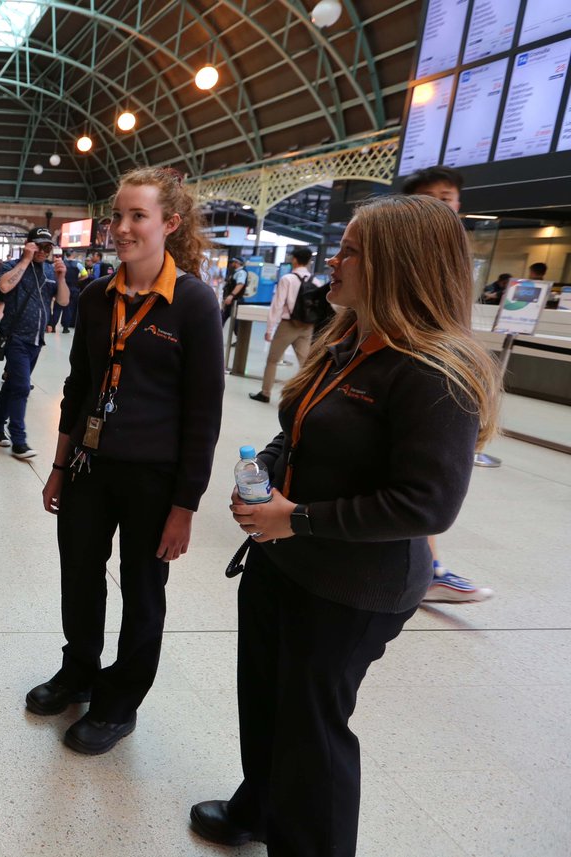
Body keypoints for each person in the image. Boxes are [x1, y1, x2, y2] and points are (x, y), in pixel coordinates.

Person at [189, 194, 500, 857]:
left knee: (313, 731)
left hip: (350, 587)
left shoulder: (433, 371)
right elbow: (297, 428)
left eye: (350, 250)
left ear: (397, 265)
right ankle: (259, 804)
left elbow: (427, 504)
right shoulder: (349, 339)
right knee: (266, 700)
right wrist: (264, 472)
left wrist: (297, 517)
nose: (334, 259)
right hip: (284, 561)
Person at [31, 166, 224, 755]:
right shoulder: (96, 297)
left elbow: (204, 415)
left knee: (143, 591)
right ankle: (79, 670)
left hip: (154, 480)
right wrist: (59, 467)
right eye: (117, 215)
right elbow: (79, 386)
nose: (122, 227)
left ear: (171, 223)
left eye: (138, 216)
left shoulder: (193, 303)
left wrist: (185, 506)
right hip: (89, 468)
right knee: (78, 574)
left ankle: (120, 703)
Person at [401, 165, 495, 602]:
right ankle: (428, 567)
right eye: (432, 197)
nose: (443, 205)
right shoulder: (403, 253)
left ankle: (430, 567)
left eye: (449, 197)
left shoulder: (453, 251)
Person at [0, 227, 70, 459]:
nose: (43, 251)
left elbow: (63, 301)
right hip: (15, 337)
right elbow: (4, 286)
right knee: (22, 388)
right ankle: (19, 441)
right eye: (38, 246)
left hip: (36, 340)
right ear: (29, 245)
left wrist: (61, 277)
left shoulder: (50, 271)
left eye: (47, 247)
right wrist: (25, 259)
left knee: (12, 385)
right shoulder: (13, 265)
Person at [249, 247, 315, 403]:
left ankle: (265, 393)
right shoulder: (315, 281)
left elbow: (277, 305)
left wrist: (269, 329)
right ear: (308, 261)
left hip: (288, 325)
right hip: (307, 326)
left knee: (273, 360)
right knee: (306, 364)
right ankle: (309, 397)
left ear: (294, 260)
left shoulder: (288, 279)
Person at [220, 256, 250, 324]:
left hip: (236, 300)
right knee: (222, 317)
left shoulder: (241, 272)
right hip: (232, 300)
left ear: (237, 263)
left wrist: (231, 295)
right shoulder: (236, 272)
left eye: (232, 262)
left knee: (235, 322)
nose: (231, 264)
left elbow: (240, 284)